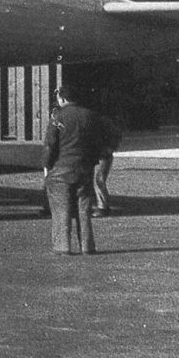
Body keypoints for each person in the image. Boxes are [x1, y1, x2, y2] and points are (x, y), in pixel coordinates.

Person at [41, 86, 104, 255]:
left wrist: (46, 166)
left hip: (60, 171)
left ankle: (63, 247)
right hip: (84, 169)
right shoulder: (90, 115)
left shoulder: (57, 116)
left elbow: (50, 145)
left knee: (61, 209)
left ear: (62, 99)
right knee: (84, 209)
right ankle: (87, 246)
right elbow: (97, 143)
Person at [92, 114, 122, 217]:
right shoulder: (106, 122)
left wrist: (109, 149)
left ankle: (102, 206)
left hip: (102, 154)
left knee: (98, 179)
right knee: (98, 179)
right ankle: (102, 204)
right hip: (102, 154)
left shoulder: (102, 123)